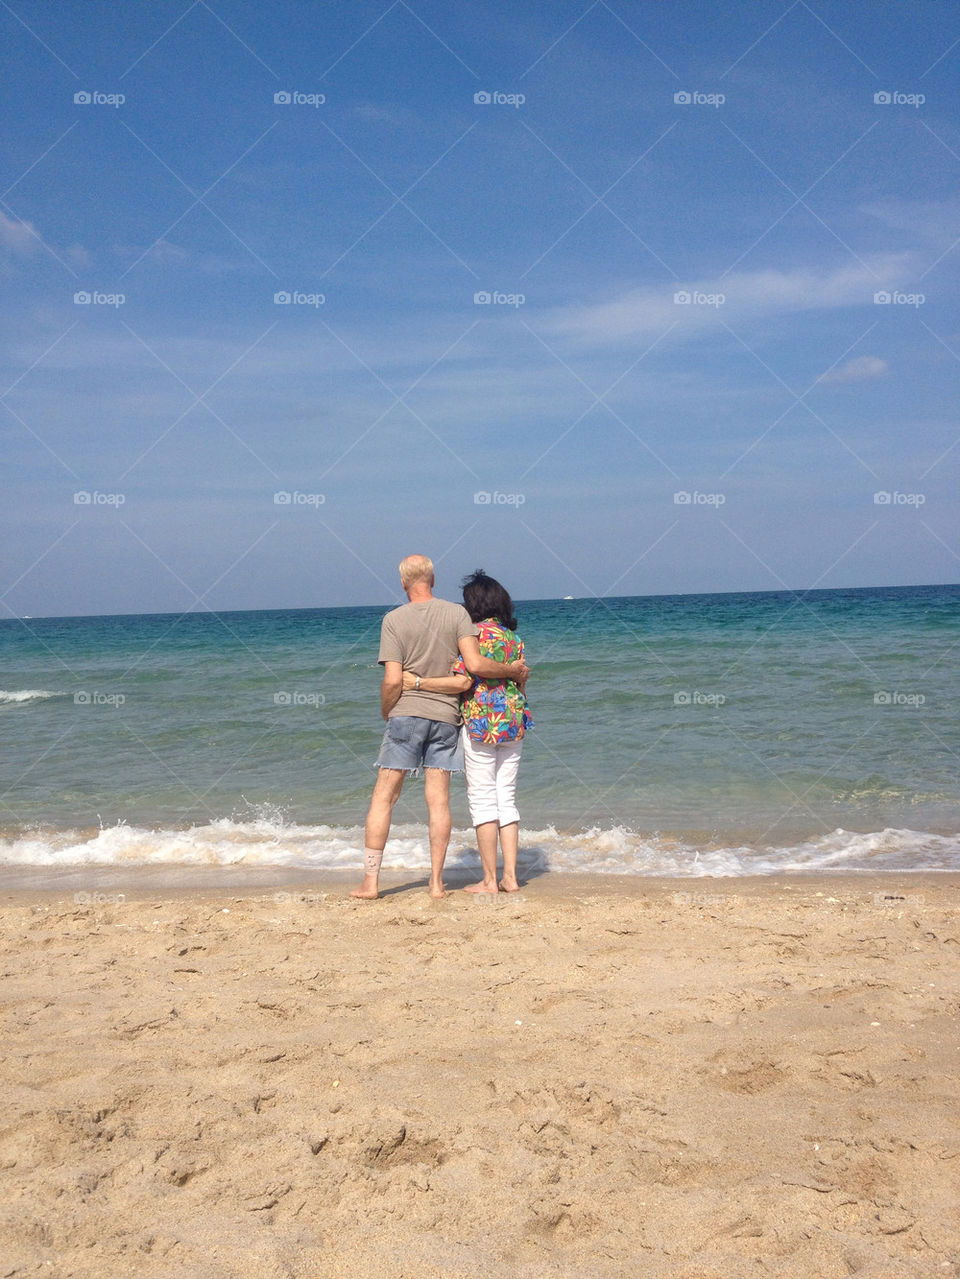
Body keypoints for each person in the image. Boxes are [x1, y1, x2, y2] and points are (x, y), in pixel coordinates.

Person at [351, 555, 528, 901]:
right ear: (433, 579)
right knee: (439, 801)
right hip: (447, 716)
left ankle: (371, 883)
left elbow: (392, 680)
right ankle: (436, 883)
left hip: (406, 713)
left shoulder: (393, 620)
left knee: (384, 797)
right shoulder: (458, 615)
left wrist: (388, 709)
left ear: (403, 583)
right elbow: (466, 676)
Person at [401, 570, 532, 895]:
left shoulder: (471, 635)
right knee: (507, 798)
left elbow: (464, 679)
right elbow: (521, 679)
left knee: (483, 799)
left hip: (480, 722)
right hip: (514, 721)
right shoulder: (513, 638)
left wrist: (417, 682)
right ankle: (511, 877)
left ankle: (490, 880)